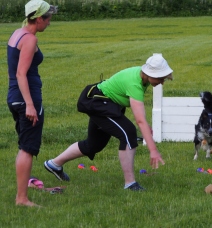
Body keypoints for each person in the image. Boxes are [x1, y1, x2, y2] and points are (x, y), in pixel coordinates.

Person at [44, 53, 173, 191]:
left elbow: (139, 113)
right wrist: (153, 150)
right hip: (100, 103)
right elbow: (139, 120)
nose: (162, 82)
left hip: (104, 103)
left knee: (94, 145)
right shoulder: (135, 83)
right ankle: (130, 183)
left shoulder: (142, 77)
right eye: (160, 78)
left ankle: (54, 164)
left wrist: (146, 125)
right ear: (149, 73)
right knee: (128, 133)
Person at [7, 0, 57, 206]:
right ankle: (22, 199)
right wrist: (30, 104)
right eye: (48, 19)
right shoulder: (29, 40)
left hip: (14, 97)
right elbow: (21, 74)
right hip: (26, 99)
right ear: (38, 19)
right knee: (27, 148)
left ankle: (26, 186)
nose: (49, 23)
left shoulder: (17, 33)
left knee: (24, 146)